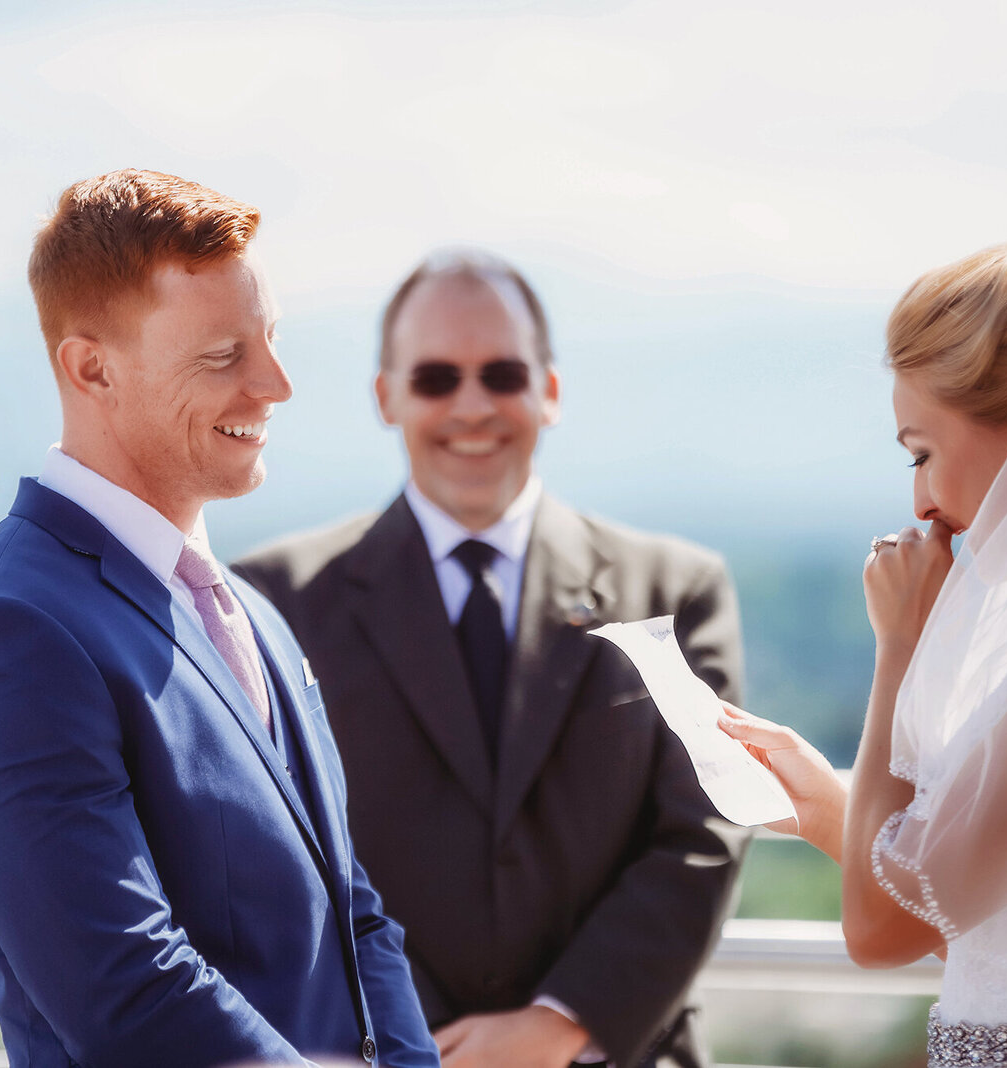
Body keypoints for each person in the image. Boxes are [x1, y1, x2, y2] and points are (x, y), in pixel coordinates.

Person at [0, 169, 438, 1068]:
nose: (275, 385)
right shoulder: (8, 637)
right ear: (92, 367)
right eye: (224, 355)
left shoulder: (252, 614)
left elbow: (354, 914)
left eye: (271, 341)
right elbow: (130, 994)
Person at [234, 249, 748, 1068]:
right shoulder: (273, 600)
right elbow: (266, 852)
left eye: (502, 374)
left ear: (549, 390)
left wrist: (559, 1023)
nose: (471, 406)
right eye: (436, 378)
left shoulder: (676, 590)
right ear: (387, 396)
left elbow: (704, 830)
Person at [721, 243, 1007, 1065]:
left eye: (921, 452)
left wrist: (901, 645)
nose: (920, 499)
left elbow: (877, 932)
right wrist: (834, 810)